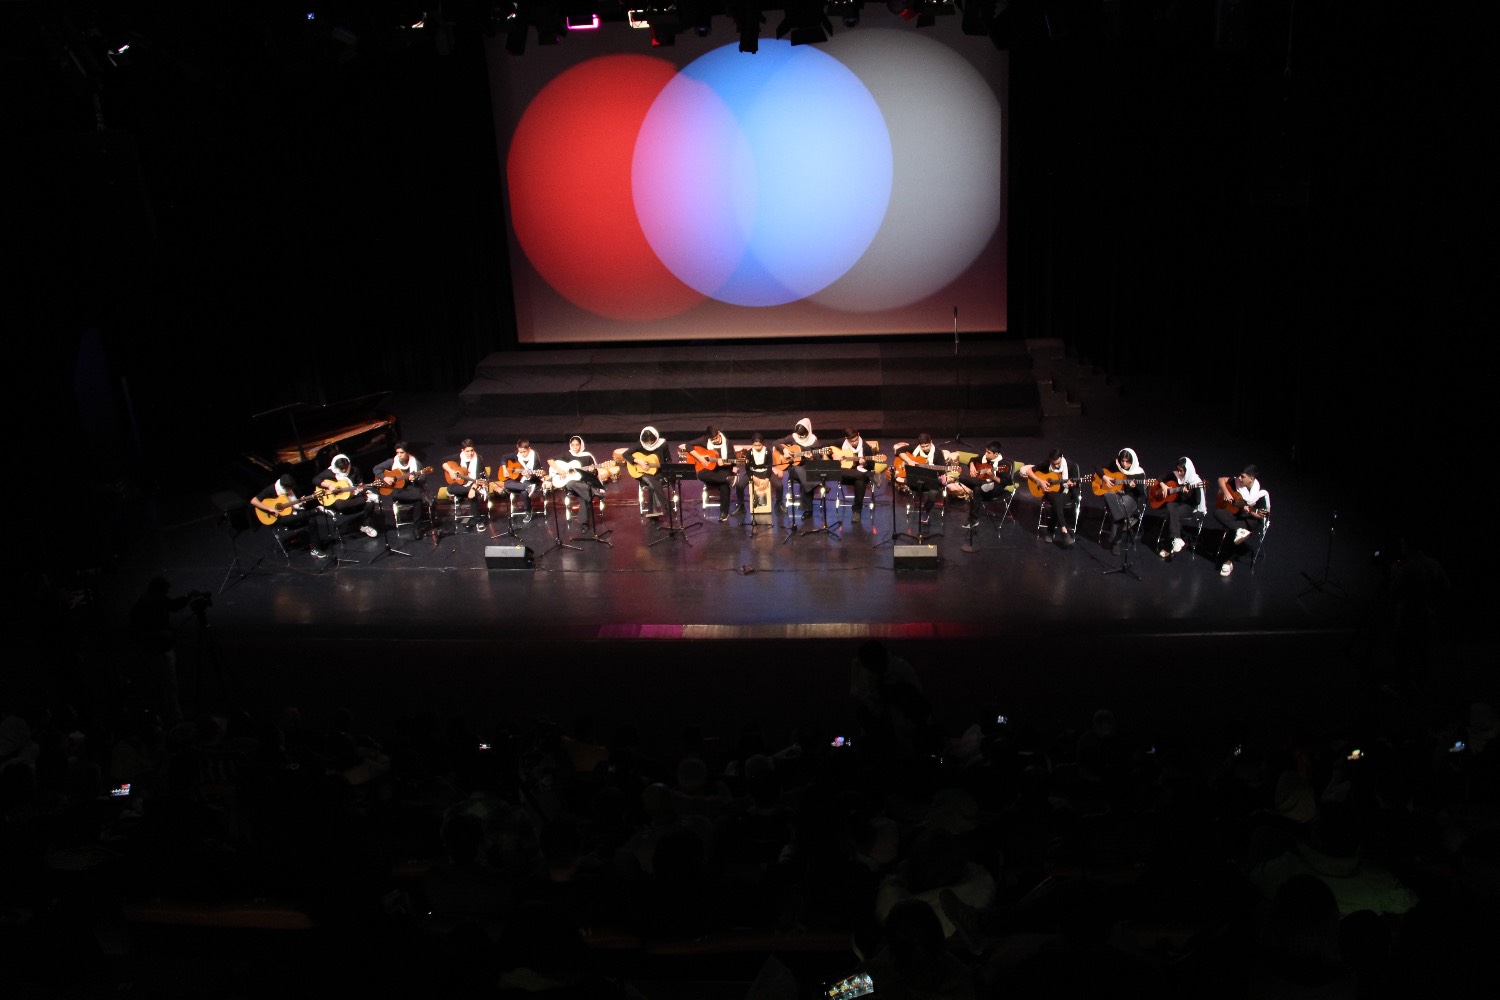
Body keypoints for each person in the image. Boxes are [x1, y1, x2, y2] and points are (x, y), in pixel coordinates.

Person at [250, 474, 333, 559]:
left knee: (311, 520)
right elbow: (253, 501)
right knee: (289, 518)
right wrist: (269, 509)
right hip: (277, 518)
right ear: (283, 486)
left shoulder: (290, 489)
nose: (290, 490)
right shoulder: (271, 489)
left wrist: (300, 503)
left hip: (292, 514)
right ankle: (316, 511)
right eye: (289, 488)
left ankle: (315, 549)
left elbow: (293, 505)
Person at [1214, 464, 1270, 577]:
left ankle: (1228, 562)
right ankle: (1239, 529)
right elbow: (1221, 479)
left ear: (1251, 479)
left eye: (1243, 477)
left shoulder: (1261, 493)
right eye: (1240, 475)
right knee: (1217, 512)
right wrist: (1226, 492)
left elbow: (1261, 516)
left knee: (1232, 532)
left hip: (1251, 520)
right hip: (1237, 515)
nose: (1239, 478)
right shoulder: (1237, 483)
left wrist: (1250, 511)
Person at [1020, 448, 1082, 544]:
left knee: (1057, 501)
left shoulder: (1072, 466)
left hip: (1066, 493)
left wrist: (1072, 484)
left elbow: (1076, 485)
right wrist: (1040, 481)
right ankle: (1064, 530)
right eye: (1054, 463)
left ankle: (1051, 530)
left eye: (1058, 463)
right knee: (1055, 499)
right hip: (1050, 492)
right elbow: (1029, 471)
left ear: (1062, 457)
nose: (1056, 466)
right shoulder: (1047, 463)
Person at [314, 452, 378, 540]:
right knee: (340, 505)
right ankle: (366, 499)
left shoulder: (354, 470)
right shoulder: (330, 472)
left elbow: (360, 483)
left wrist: (361, 487)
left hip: (352, 495)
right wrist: (329, 485)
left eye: (346, 467)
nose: (344, 470)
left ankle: (365, 526)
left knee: (370, 504)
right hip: (338, 500)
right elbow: (315, 480)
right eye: (341, 469)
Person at [551, 435, 605, 535]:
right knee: (571, 483)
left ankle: (584, 524)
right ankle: (594, 492)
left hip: (583, 484)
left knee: (584, 496)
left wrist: (592, 471)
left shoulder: (587, 456)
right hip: (570, 485)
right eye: (573, 445)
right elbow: (550, 461)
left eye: (577, 445)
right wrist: (560, 471)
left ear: (581, 445)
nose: (575, 447)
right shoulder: (566, 455)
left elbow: (595, 473)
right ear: (570, 445)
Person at [1098, 447, 1148, 555]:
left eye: (1127, 462)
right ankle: (1124, 523)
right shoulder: (1116, 465)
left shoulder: (1139, 473)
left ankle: (1116, 542)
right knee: (1107, 495)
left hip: (1131, 499)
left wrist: (1135, 487)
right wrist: (1104, 477)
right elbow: (1097, 467)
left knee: (1117, 510)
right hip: (1116, 496)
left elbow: (1141, 493)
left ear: (1132, 461)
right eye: (1122, 461)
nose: (1124, 464)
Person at [682, 425, 736, 522]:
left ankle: (724, 513)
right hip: (711, 471)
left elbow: (733, 460)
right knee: (700, 474)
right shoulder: (705, 440)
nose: (714, 441)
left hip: (723, 469)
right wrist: (700, 458)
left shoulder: (728, 443)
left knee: (724, 486)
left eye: (716, 438)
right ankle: (727, 479)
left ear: (719, 434)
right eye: (712, 440)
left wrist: (724, 462)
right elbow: (688, 445)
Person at [617, 426, 672, 520]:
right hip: (643, 473)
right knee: (650, 479)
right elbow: (625, 454)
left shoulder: (663, 444)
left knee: (651, 485)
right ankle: (666, 505)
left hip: (659, 472)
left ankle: (653, 514)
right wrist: (638, 461)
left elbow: (669, 461)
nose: (650, 442)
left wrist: (665, 467)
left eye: (652, 440)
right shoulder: (640, 444)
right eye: (647, 441)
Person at [1157, 456, 1207, 559]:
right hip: (1177, 504)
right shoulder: (1176, 475)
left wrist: (1188, 494)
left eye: (1182, 471)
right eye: (1178, 470)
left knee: (1171, 514)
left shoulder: (1195, 482)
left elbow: (1197, 502)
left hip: (1190, 507)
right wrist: (1163, 485)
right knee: (1170, 506)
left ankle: (1169, 546)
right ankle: (1177, 538)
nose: (1179, 473)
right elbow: (1160, 478)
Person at [957, 441, 1012, 528]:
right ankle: (982, 485)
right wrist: (972, 466)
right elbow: (973, 459)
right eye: (986, 451)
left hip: (996, 487)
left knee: (977, 489)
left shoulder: (1003, 464)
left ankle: (973, 520)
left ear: (996, 454)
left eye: (988, 453)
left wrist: (993, 477)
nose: (986, 454)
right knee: (962, 477)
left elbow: (1005, 482)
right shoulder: (984, 458)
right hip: (981, 482)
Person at [772, 418, 820, 518]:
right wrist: (784, 450)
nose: (800, 437)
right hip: (793, 469)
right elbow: (776, 442)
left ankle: (808, 510)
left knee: (806, 477)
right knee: (801, 472)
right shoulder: (793, 437)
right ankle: (815, 486)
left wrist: (811, 457)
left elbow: (818, 458)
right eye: (799, 435)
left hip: (807, 468)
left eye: (802, 435)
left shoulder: (814, 441)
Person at [892, 433, 943, 520]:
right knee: (905, 480)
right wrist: (909, 461)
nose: (925, 448)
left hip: (929, 481)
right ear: (919, 445)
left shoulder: (937, 453)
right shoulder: (915, 448)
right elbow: (899, 451)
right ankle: (913, 490)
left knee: (933, 492)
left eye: (927, 446)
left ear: (931, 442)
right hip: (915, 480)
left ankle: (926, 511)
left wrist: (943, 477)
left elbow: (942, 470)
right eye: (923, 447)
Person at [443, 438, 489, 531]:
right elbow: (444, 464)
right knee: (450, 488)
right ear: (462, 450)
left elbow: (479, 478)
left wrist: (473, 488)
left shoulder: (478, 459)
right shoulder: (458, 457)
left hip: (476, 484)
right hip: (462, 485)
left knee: (472, 495)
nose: (470, 453)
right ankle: (467, 492)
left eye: (472, 450)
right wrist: (451, 471)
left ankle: (478, 521)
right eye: (467, 451)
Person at [836, 428, 880, 521]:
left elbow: (872, 465)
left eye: (856, 440)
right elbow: (826, 446)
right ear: (846, 439)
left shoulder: (866, 447)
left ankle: (857, 511)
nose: (855, 443)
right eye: (852, 441)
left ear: (858, 435)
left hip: (860, 473)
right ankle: (871, 475)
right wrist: (833, 454)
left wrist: (865, 463)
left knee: (860, 482)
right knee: (859, 475)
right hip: (845, 474)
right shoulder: (841, 443)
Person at [500, 438, 545, 523]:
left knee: (524, 492)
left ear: (529, 449)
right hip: (521, 481)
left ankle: (528, 512)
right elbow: (504, 457)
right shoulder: (517, 455)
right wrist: (505, 469)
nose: (522, 454)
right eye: (520, 452)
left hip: (532, 481)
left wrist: (528, 475)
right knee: (506, 484)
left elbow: (537, 475)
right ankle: (527, 487)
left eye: (524, 452)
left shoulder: (535, 457)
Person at [734, 432, 778, 519]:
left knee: (779, 485)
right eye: (755, 445)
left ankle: (779, 504)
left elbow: (769, 466)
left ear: (763, 444)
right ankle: (741, 506)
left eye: (759, 445)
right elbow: (747, 468)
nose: (757, 447)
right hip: (753, 472)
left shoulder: (767, 452)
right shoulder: (749, 453)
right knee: (739, 486)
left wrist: (767, 478)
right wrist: (752, 477)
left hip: (765, 472)